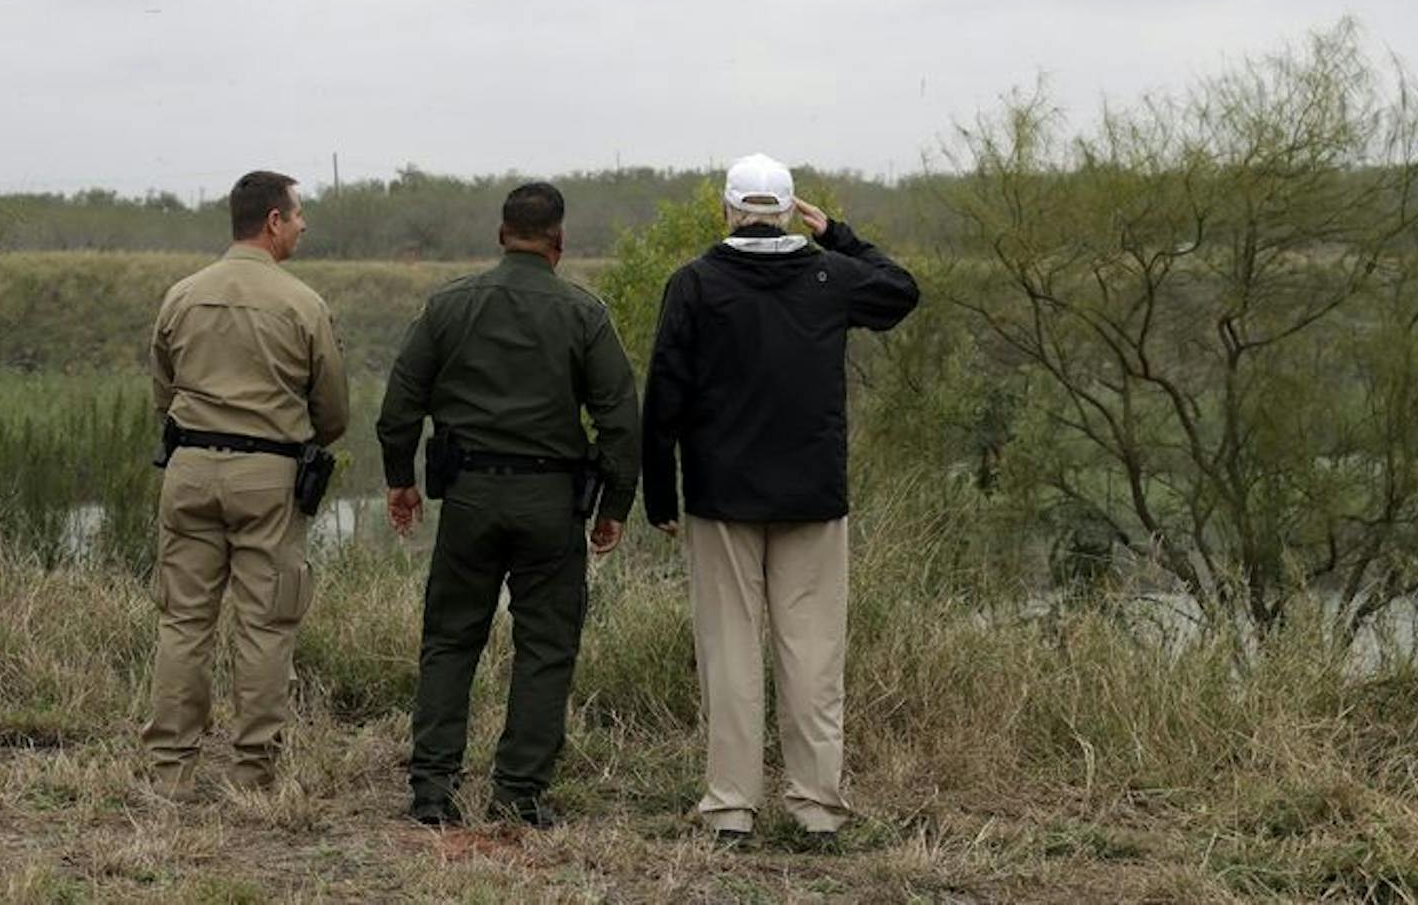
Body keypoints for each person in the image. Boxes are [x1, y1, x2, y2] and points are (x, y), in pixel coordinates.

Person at [641, 153, 919, 845]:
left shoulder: (696, 282)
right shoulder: (831, 276)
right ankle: (816, 805)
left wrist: (657, 490)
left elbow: (663, 393)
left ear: (727, 210)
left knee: (730, 648)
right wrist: (841, 235)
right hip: (813, 494)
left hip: (720, 493)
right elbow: (902, 290)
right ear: (793, 210)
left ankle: (732, 804)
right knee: (814, 650)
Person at [377, 182, 640, 828]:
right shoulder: (585, 313)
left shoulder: (449, 305)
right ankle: (519, 792)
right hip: (552, 502)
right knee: (547, 643)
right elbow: (621, 421)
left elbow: (399, 404)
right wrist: (614, 503)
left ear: (501, 235)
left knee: (449, 637)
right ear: (559, 242)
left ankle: (433, 789)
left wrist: (400, 479)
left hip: (468, 497)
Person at [144, 169, 349, 798]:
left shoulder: (181, 295)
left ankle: (169, 771)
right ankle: (252, 773)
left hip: (189, 470)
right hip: (269, 478)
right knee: (266, 624)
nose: (304, 224)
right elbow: (333, 414)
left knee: (183, 622)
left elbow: (163, 390)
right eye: (298, 214)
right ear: (272, 222)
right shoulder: (303, 303)